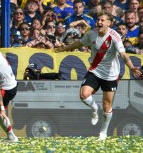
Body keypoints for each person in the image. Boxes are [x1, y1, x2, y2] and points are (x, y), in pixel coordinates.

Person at [55, 10, 142, 141]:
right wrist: (63, 48)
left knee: (107, 105)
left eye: (102, 20)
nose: (99, 22)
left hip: (110, 75)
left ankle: (103, 132)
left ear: (109, 23)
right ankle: (95, 109)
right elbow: (78, 43)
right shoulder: (91, 34)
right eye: (98, 20)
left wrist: (132, 67)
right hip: (95, 70)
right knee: (83, 94)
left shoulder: (114, 36)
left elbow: (123, 55)